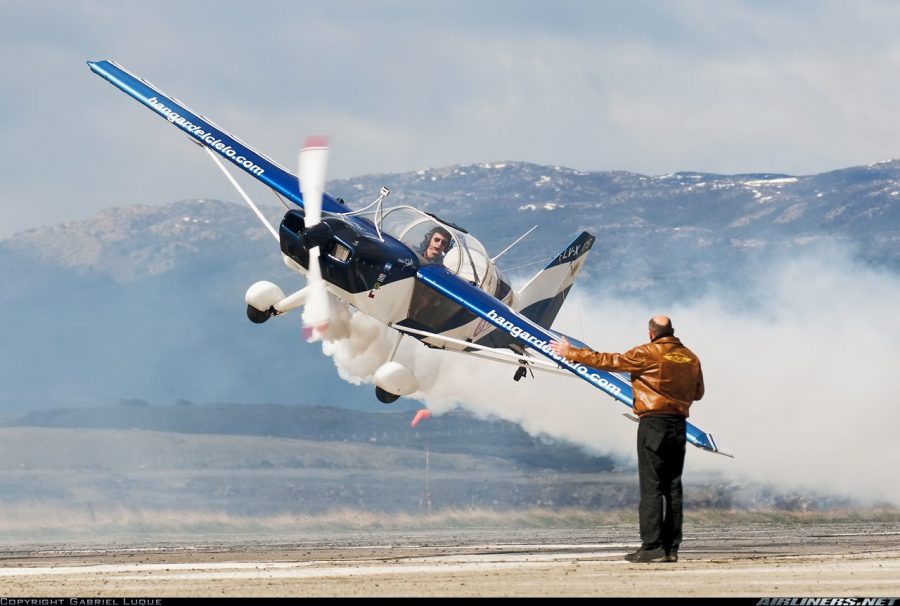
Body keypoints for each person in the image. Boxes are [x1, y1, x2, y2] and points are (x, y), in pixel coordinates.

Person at [549, 315, 704, 564]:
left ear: (651, 333)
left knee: (652, 486)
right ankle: (671, 548)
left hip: (654, 422)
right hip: (678, 425)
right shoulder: (690, 357)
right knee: (673, 487)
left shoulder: (646, 353)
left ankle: (652, 547)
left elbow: (610, 361)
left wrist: (571, 352)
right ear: (672, 331)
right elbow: (698, 393)